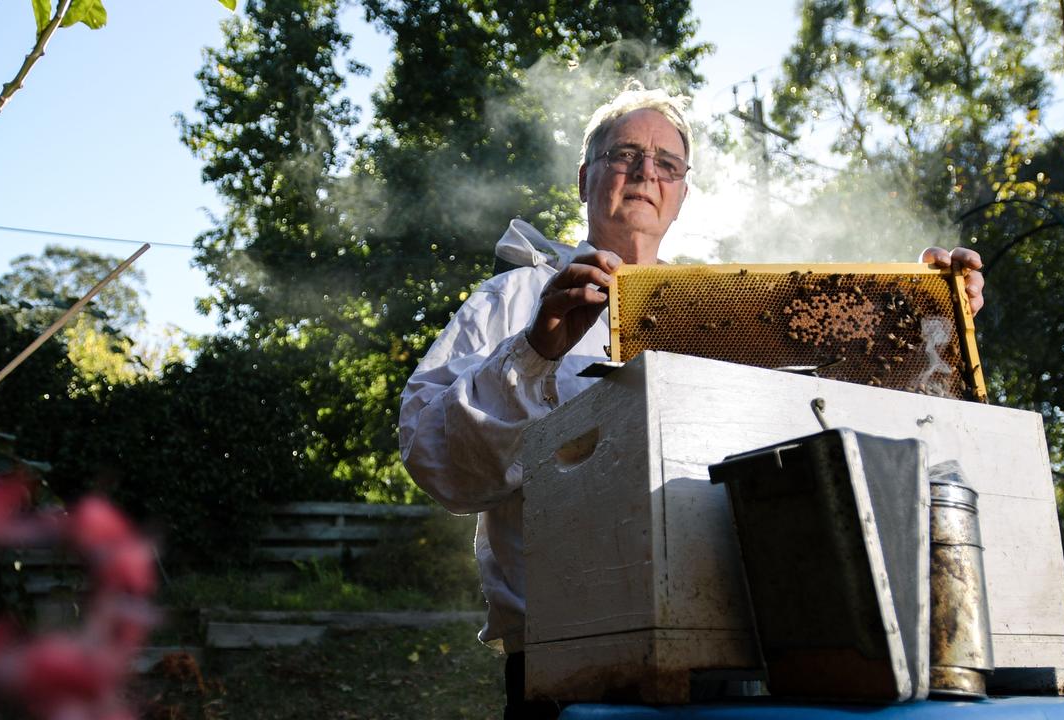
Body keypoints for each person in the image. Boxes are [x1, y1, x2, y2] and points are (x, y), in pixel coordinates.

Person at [398, 84, 985, 719]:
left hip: (732, 653)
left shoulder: (728, 316)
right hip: (565, 664)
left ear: (680, 194)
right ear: (584, 178)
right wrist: (536, 349)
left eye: (667, 164)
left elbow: (827, 447)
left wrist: (927, 322)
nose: (645, 172)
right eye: (624, 153)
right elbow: (435, 464)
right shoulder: (512, 299)